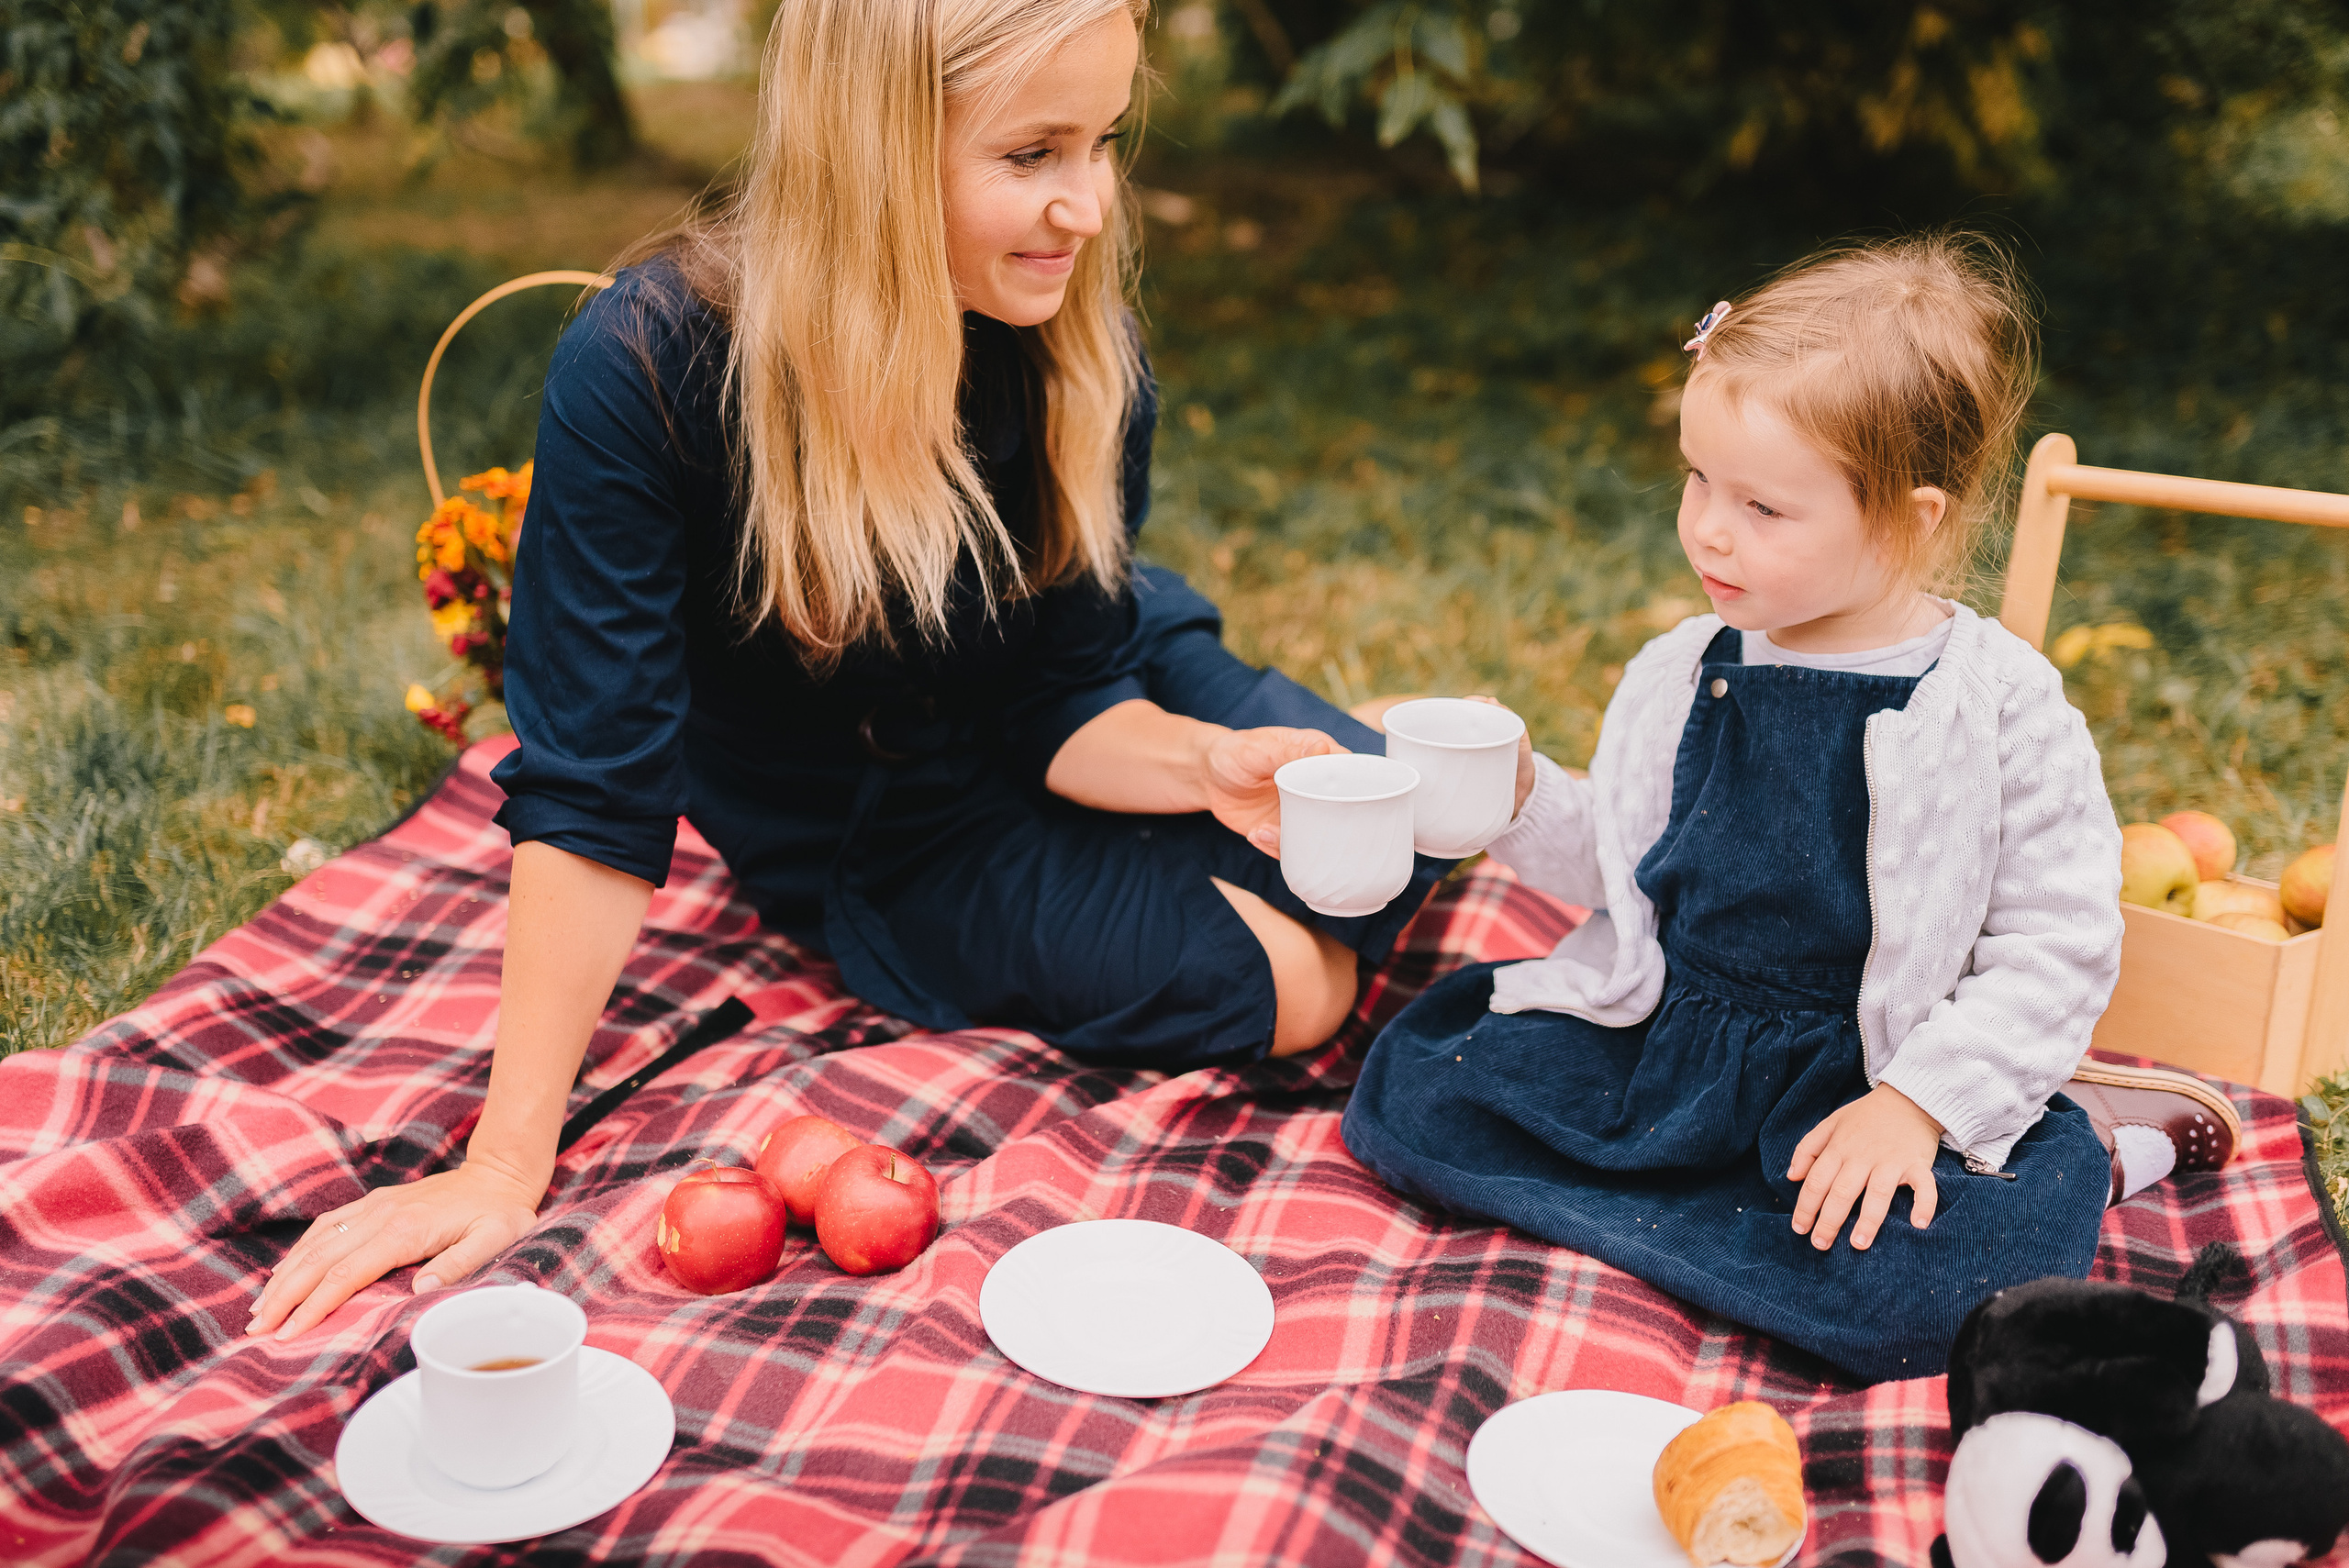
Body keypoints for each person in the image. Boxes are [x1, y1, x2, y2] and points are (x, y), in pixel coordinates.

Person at [248, 0, 1444, 1340]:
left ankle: (1288, 725)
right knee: (1301, 983)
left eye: (1103, 142)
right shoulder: (650, 376)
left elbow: (1063, 690)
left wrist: (1197, 763)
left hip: (1061, 686)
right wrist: (503, 1159)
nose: (1089, 207)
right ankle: (1295, 749)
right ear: (873, 147)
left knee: (1395, 839)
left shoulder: (1066, 338)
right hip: (889, 827)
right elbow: (596, 792)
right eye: (1033, 154)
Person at [1340, 236, 2242, 1384]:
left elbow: (2059, 942)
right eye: (1696, 480)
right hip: (1678, 1050)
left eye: (1764, 505)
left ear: (1913, 517)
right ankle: (1701, 1220)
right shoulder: (1682, 667)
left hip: (1868, 1073)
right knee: (1422, 1092)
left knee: (1945, 1286)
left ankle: (2100, 1137)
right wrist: (1517, 798)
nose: (1709, 528)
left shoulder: (1997, 705)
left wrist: (1919, 1106)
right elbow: (1626, 869)